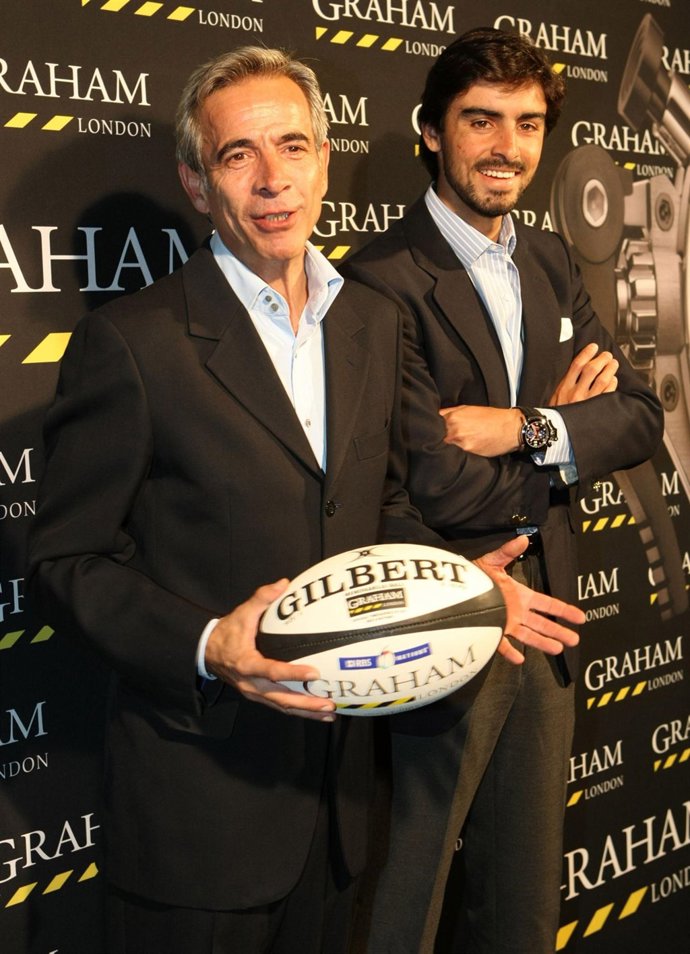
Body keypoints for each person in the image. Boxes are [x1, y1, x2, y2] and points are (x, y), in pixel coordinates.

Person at [26, 46, 585, 954]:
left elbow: (379, 506)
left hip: (340, 810)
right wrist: (209, 644)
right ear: (197, 183)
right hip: (199, 819)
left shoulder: (369, 321)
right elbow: (63, 562)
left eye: (292, 145)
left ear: (325, 159)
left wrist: (456, 585)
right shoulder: (132, 343)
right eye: (237, 154)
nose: (272, 178)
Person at [342, 27, 664, 954]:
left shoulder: (552, 259)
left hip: (547, 612)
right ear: (431, 130)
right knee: (405, 896)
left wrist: (522, 425)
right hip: (443, 609)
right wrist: (567, 428)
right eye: (481, 120)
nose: (507, 147)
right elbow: (431, 476)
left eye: (527, 124)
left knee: (522, 898)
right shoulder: (378, 280)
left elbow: (638, 417)